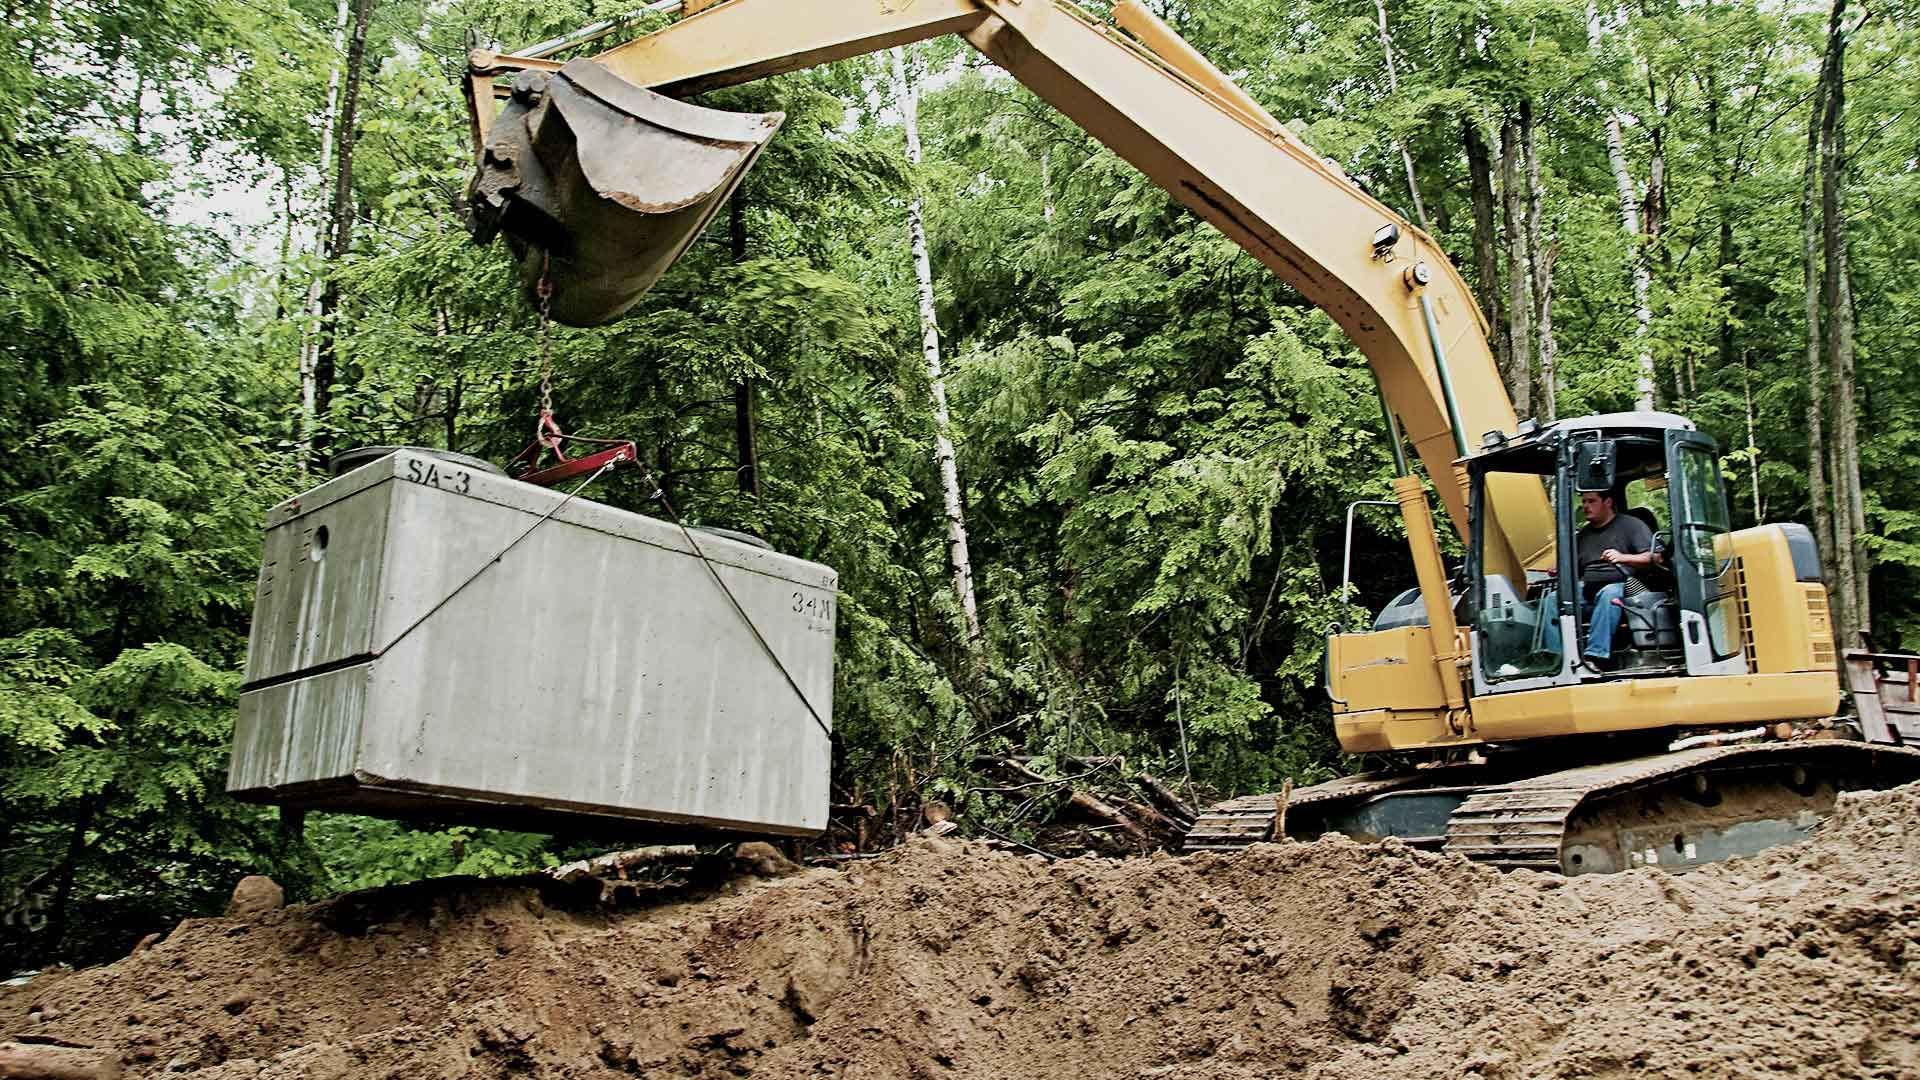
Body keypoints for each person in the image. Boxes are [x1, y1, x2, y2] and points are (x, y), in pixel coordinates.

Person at [1573, 489, 1656, 667]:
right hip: (1589, 591)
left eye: (1591, 501)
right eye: (1584, 502)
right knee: (1552, 599)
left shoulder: (1632, 526)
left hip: (1626, 589)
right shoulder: (1583, 536)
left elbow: (1655, 557)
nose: (1586, 506)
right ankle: (1553, 655)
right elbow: (1576, 569)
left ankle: (1595, 656)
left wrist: (1623, 557)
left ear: (1608, 502)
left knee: (1610, 594)